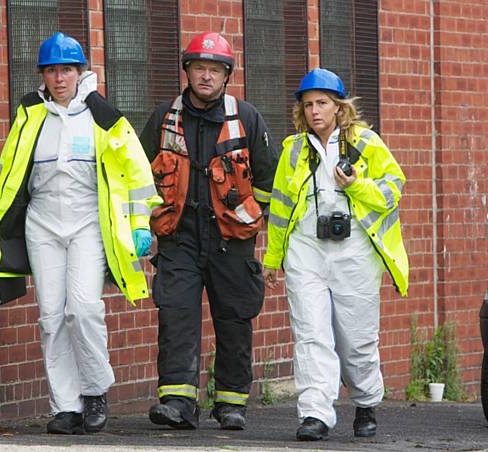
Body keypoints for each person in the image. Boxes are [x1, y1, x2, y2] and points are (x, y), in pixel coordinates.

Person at [0, 32, 161, 435]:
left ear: (80, 72)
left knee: (82, 309)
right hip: (42, 223)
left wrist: (140, 225)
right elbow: (9, 176)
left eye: (66, 70)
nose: (59, 78)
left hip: (87, 223)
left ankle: (95, 390)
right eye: (51, 70)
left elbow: (137, 178)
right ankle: (65, 406)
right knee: (50, 317)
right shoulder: (29, 116)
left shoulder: (105, 118)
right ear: (42, 75)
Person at [140, 32, 277, 431]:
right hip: (178, 238)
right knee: (176, 315)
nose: (205, 76)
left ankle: (231, 404)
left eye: (214, 70)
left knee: (234, 319)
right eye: (199, 67)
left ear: (226, 76)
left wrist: (254, 223)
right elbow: (137, 178)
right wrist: (144, 231)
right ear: (187, 71)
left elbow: (269, 181)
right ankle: (178, 401)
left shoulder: (247, 118)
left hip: (230, 241)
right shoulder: (164, 117)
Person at [262, 68, 409, 441]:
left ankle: (365, 402)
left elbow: (394, 190)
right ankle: (315, 413)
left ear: (339, 107)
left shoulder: (368, 143)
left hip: (355, 252)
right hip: (306, 250)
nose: (315, 111)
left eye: (322, 103)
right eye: (308, 104)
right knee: (310, 333)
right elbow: (279, 209)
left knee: (356, 338)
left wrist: (357, 185)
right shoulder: (293, 150)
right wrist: (272, 258)